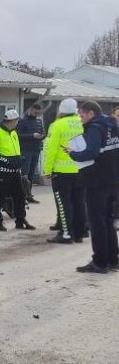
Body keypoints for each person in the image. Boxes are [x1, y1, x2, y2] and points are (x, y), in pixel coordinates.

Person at [67, 101, 119, 273]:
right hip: (113, 181)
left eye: (81, 115)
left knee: (97, 223)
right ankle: (113, 259)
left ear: (90, 113)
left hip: (97, 181)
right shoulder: (113, 125)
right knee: (108, 221)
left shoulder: (94, 128)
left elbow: (91, 153)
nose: (81, 119)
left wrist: (72, 153)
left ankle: (100, 262)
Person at [43, 98, 86, 244]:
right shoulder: (82, 123)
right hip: (81, 169)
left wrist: (47, 170)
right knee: (79, 202)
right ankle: (79, 233)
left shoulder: (57, 125)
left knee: (63, 203)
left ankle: (66, 234)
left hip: (61, 171)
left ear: (61, 110)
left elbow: (50, 149)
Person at [0, 109, 35, 231]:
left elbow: (13, 150)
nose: (18, 123)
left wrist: (19, 158)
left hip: (15, 171)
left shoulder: (13, 133)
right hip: (1, 171)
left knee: (20, 196)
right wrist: (7, 161)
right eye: (17, 120)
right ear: (11, 121)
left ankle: (20, 220)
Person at [17, 103, 45, 203]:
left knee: (32, 174)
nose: (37, 114)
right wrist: (32, 135)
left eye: (38, 113)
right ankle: (22, 196)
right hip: (26, 150)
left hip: (36, 150)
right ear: (30, 110)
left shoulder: (39, 121)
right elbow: (18, 136)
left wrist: (42, 136)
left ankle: (29, 195)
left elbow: (42, 132)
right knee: (25, 173)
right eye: (35, 112)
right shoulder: (22, 121)